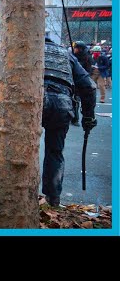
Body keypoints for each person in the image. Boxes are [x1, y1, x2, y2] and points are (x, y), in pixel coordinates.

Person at [42, 38, 97, 207]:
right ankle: (53, 199)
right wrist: (88, 116)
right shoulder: (67, 55)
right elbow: (89, 86)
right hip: (62, 103)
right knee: (55, 151)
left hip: (34, 100)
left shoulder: (28, 49)